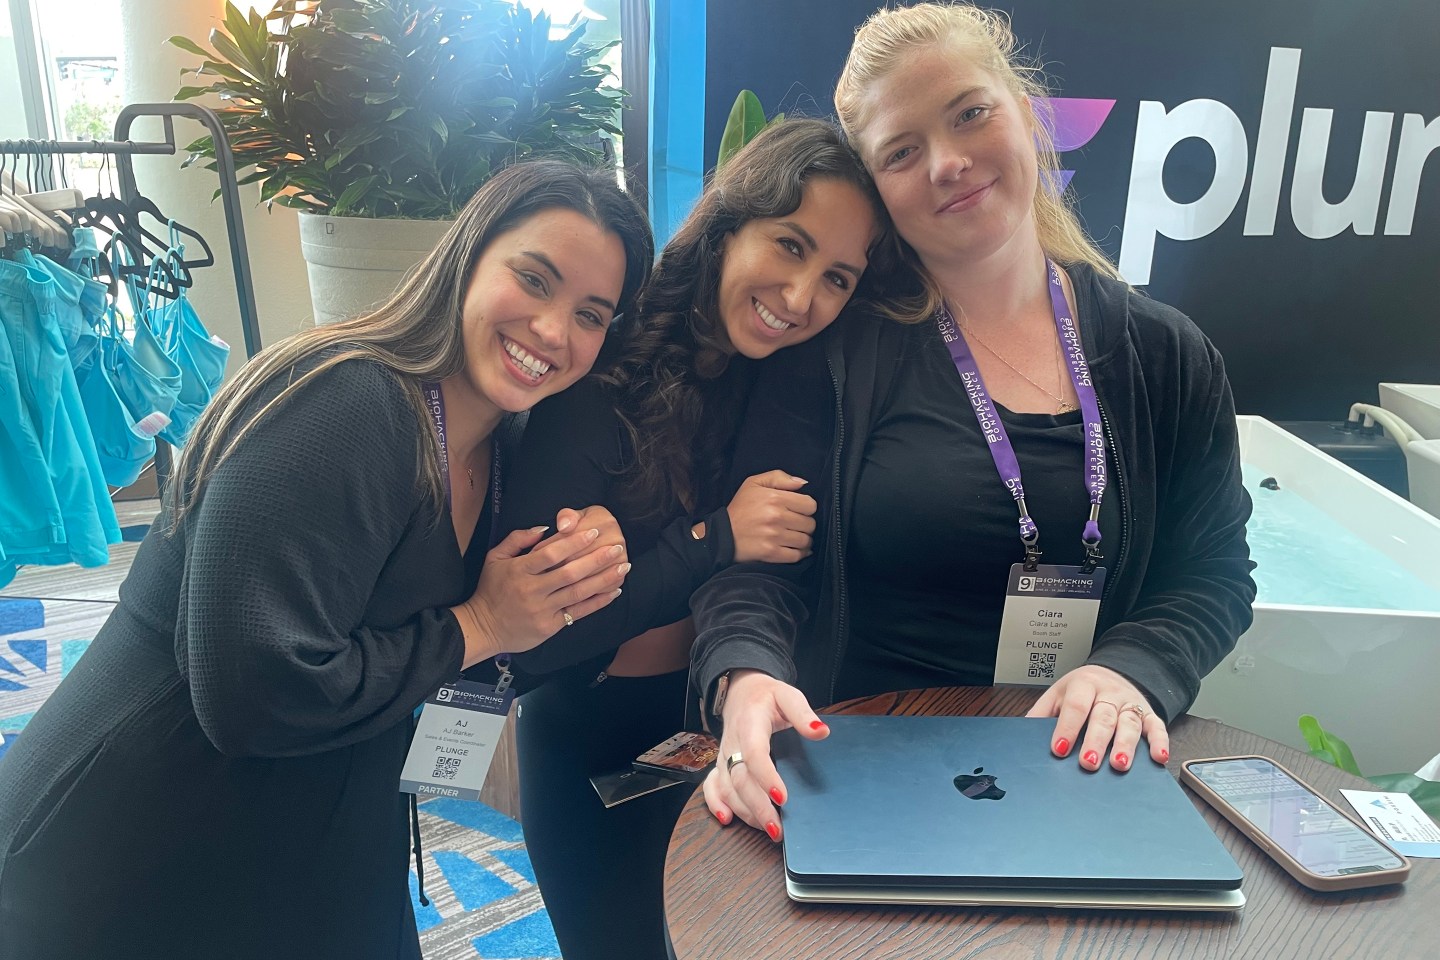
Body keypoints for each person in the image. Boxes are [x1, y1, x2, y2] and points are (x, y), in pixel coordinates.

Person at [0, 160, 653, 959]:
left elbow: (495, 662)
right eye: (534, 279)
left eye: (590, 314)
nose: (553, 331)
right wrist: (479, 622)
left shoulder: (507, 446)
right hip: (138, 844)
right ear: (468, 255)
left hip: (322, 819)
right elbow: (249, 696)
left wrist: (583, 566)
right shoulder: (347, 401)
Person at [690, 2, 1257, 841]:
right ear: (879, 191)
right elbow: (758, 569)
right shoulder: (834, 352)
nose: (948, 164)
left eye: (969, 114)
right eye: (901, 152)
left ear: (1026, 113)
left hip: (1080, 776)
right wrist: (744, 675)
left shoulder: (1166, 355)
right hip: (860, 772)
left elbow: (1213, 572)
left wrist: (1135, 671)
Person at [487, 119, 914, 959]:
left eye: (836, 277)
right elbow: (533, 649)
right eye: (789, 245)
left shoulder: (788, 378)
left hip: (720, 723)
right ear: (728, 226)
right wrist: (714, 538)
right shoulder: (602, 371)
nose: (801, 296)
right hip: (592, 736)